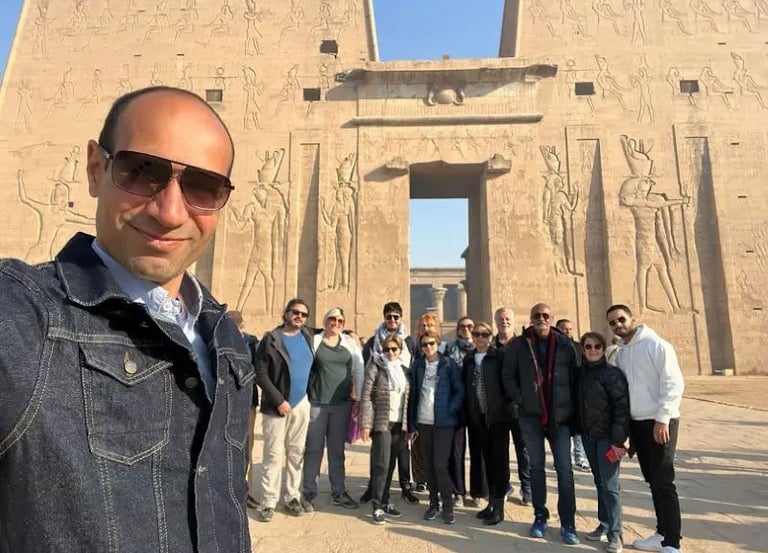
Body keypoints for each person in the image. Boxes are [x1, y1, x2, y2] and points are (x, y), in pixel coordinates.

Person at [0, 86, 253, 553]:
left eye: (202, 187)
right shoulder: (26, 315)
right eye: (142, 172)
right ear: (97, 169)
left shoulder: (226, 339)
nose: (171, 212)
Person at [606, 305, 685, 553]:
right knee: (652, 480)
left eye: (621, 319)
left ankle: (672, 542)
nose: (618, 325)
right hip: (638, 423)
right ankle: (661, 533)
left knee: (663, 480)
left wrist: (662, 418)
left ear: (632, 319)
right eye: (613, 323)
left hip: (660, 422)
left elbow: (673, 382)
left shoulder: (657, 345)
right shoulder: (622, 352)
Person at [502, 303, 581, 545]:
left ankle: (568, 522)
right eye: (536, 315)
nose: (540, 319)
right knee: (536, 467)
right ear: (531, 318)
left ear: (552, 318)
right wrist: (521, 400)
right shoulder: (519, 344)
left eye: (545, 316)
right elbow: (508, 375)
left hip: (560, 417)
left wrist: (571, 409)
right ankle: (540, 515)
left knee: (565, 471)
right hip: (531, 415)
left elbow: (576, 379)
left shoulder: (567, 346)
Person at [254, 298, 315, 522]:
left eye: (303, 314)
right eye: (295, 312)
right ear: (286, 313)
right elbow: (260, 373)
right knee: (273, 454)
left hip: (301, 403)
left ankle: (292, 497)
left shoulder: (307, 337)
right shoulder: (271, 339)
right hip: (277, 406)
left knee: (296, 453)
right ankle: (269, 501)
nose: (299, 316)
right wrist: (279, 400)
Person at [302, 307, 364, 511]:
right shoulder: (314, 340)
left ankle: (339, 491)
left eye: (340, 320)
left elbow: (358, 370)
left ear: (344, 324)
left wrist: (360, 399)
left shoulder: (349, 344)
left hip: (341, 404)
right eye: (332, 319)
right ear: (325, 321)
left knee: (337, 451)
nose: (336, 323)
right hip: (317, 403)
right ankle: (309, 492)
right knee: (313, 449)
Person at [359, 301, 419, 504]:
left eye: (396, 317)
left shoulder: (410, 341)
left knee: (402, 450)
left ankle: (405, 486)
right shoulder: (373, 341)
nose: (392, 320)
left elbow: (414, 369)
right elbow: (366, 370)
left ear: (401, 318)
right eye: (389, 317)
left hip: (402, 403)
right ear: (384, 318)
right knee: (379, 454)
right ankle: (374, 488)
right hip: (381, 406)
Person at [578, 331, 631, 553]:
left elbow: (621, 409)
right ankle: (605, 523)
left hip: (609, 439)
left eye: (597, 346)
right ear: (583, 349)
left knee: (610, 486)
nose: (592, 350)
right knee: (599, 482)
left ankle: (616, 534)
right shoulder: (580, 374)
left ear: (603, 349)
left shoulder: (613, 374)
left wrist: (618, 441)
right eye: (588, 346)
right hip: (589, 437)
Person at [408, 329, 465, 525]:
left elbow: (459, 391)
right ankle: (433, 504)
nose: (428, 347)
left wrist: (450, 410)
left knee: (441, 465)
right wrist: (411, 422)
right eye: (424, 344)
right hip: (424, 422)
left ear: (438, 344)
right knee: (430, 466)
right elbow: (413, 395)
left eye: (432, 343)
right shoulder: (418, 366)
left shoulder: (448, 364)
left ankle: (447, 506)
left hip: (443, 423)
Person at [463, 321, 515, 525]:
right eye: (477, 334)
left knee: (499, 463)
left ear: (490, 336)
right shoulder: (468, 359)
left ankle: (499, 505)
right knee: (486, 461)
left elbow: (509, 384)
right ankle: (491, 502)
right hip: (478, 419)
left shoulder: (499, 357)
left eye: (484, 334)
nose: (480, 338)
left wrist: (510, 408)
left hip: (498, 418)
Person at [360, 334, 411, 525]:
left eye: (394, 349)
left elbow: (408, 399)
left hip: (399, 423)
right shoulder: (375, 367)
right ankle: (377, 505)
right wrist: (366, 424)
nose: (390, 353)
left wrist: (409, 426)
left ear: (400, 351)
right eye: (387, 349)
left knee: (390, 464)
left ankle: (385, 499)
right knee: (381, 464)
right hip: (382, 422)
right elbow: (366, 396)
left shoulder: (404, 371)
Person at [493, 306, 532, 506]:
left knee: (523, 449)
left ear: (513, 321)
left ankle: (527, 487)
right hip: (498, 407)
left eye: (507, 318)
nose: (504, 321)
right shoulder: (491, 346)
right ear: (495, 321)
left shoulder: (524, 345)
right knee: (500, 451)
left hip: (519, 406)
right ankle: (505, 485)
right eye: (500, 318)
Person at [228, 309, 262, 509]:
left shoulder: (250, 341)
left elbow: (258, 369)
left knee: (246, 447)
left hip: (247, 400)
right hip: (226, 400)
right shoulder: (218, 338)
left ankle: (245, 491)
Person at [443, 317, 475, 507]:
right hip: (457, 404)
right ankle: (458, 490)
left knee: (480, 449)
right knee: (456, 451)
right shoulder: (449, 349)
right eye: (462, 326)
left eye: (470, 326)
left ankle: (480, 490)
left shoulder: (481, 348)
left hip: (478, 404)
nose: (466, 329)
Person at [557, 318, 591, 473]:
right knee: (562, 429)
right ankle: (565, 459)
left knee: (578, 429)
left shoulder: (579, 347)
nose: (567, 332)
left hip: (576, 392)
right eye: (564, 329)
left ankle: (580, 458)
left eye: (570, 329)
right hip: (559, 394)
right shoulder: (554, 347)